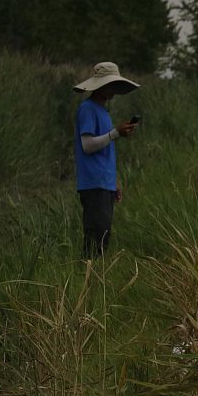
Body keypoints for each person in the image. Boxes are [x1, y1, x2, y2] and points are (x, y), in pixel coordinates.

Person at [72, 62, 140, 258]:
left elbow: (105, 153)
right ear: (98, 85)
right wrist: (115, 133)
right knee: (95, 238)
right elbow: (87, 145)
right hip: (93, 183)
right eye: (108, 84)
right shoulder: (87, 109)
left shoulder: (103, 112)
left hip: (104, 183)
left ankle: (95, 279)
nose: (112, 89)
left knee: (103, 236)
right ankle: (88, 279)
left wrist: (114, 182)